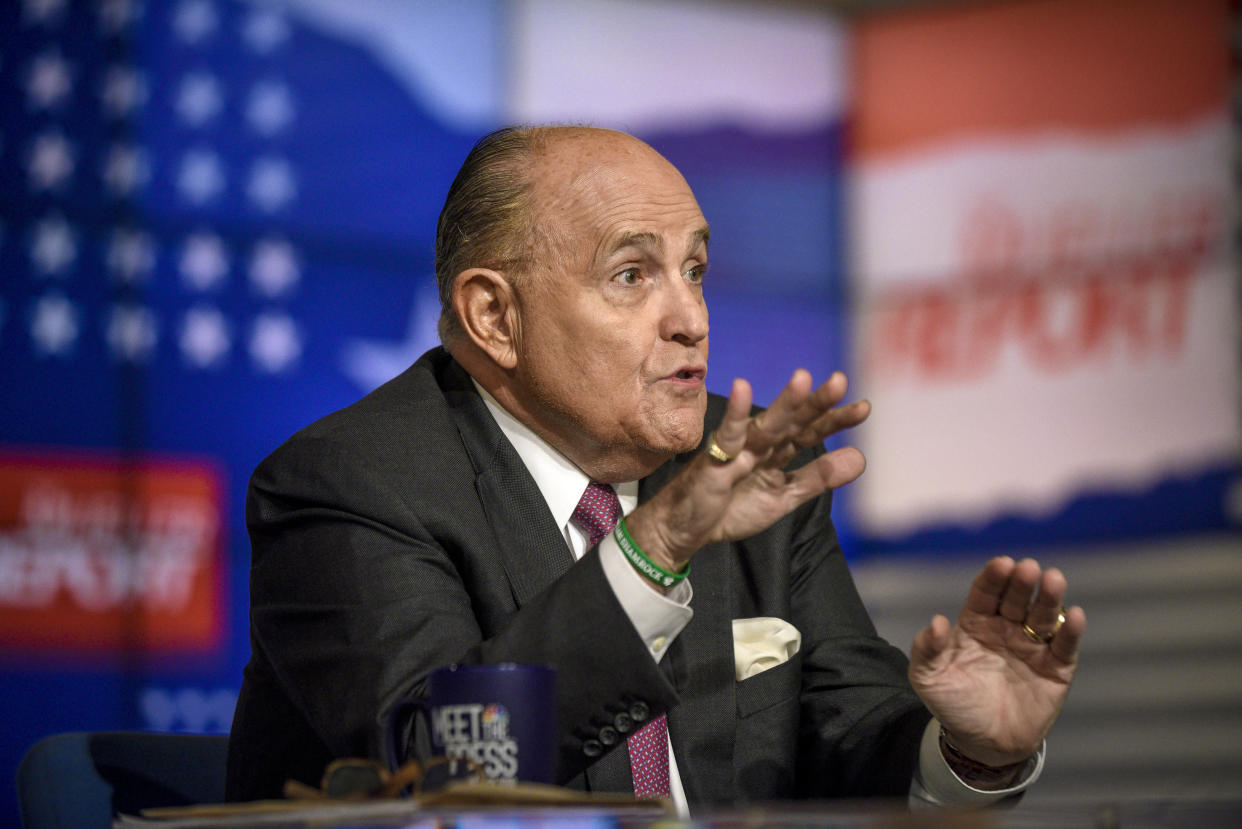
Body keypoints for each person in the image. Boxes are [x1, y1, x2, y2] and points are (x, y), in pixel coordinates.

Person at [226, 126, 1085, 810]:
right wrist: (654, 546)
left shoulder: (751, 463)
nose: (691, 319)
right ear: (494, 315)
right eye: (632, 274)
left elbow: (846, 734)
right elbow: (433, 767)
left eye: (696, 270)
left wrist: (970, 751)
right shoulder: (349, 483)